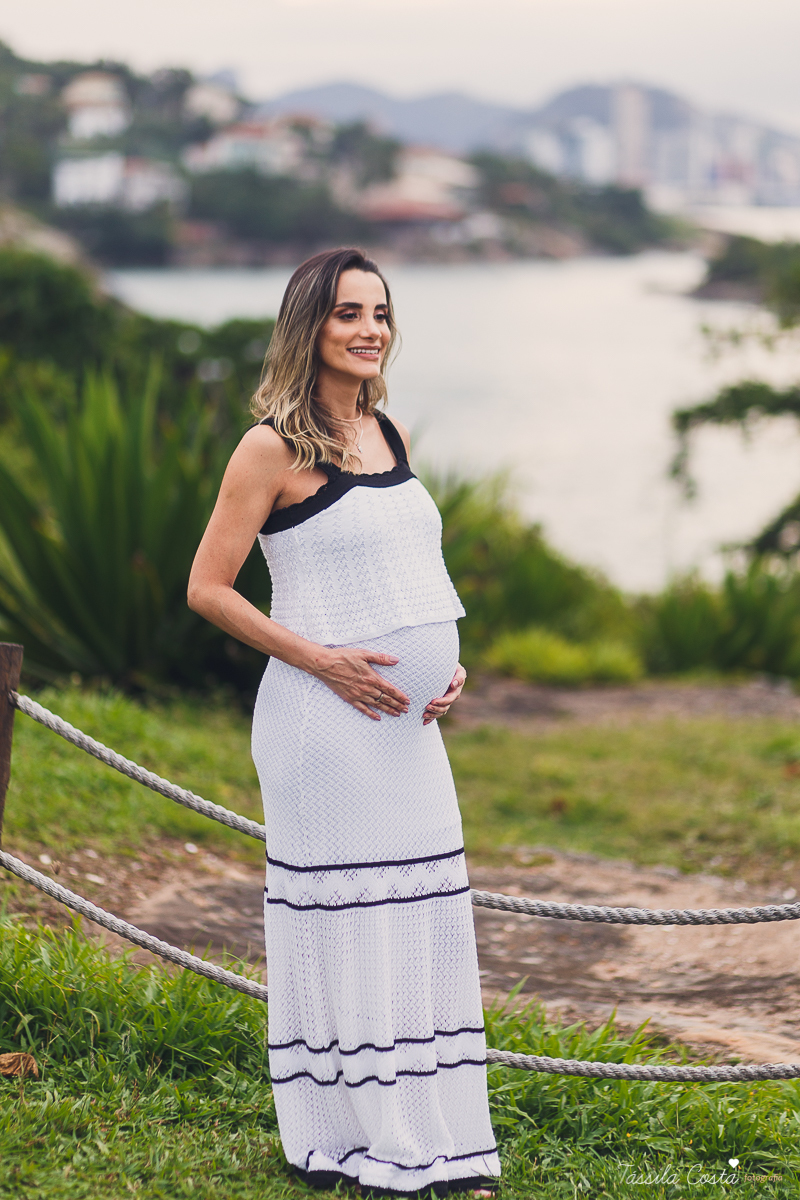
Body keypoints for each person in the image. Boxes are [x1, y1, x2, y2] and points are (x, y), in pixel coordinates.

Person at [188, 247, 500, 1197]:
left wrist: (447, 671)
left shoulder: (388, 429)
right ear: (309, 327)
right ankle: (364, 1142)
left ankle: (436, 1139)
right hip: (321, 723)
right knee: (351, 922)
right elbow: (206, 588)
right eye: (347, 313)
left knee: (421, 921)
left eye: (381, 312)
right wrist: (317, 657)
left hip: (409, 729)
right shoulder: (269, 447)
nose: (370, 329)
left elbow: (413, 575)